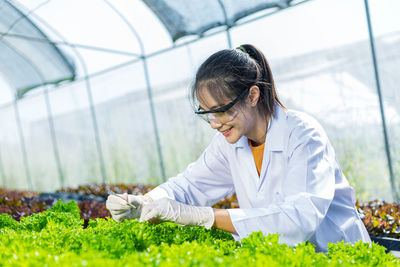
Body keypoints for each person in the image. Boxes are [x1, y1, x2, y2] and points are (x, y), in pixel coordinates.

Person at [106, 44, 371, 252]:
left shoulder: (302, 134)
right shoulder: (229, 143)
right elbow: (192, 184)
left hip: (335, 255)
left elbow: (298, 220)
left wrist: (205, 217)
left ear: (253, 96)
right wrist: (144, 201)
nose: (214, 124)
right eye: (207, 114)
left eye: (220, 111)